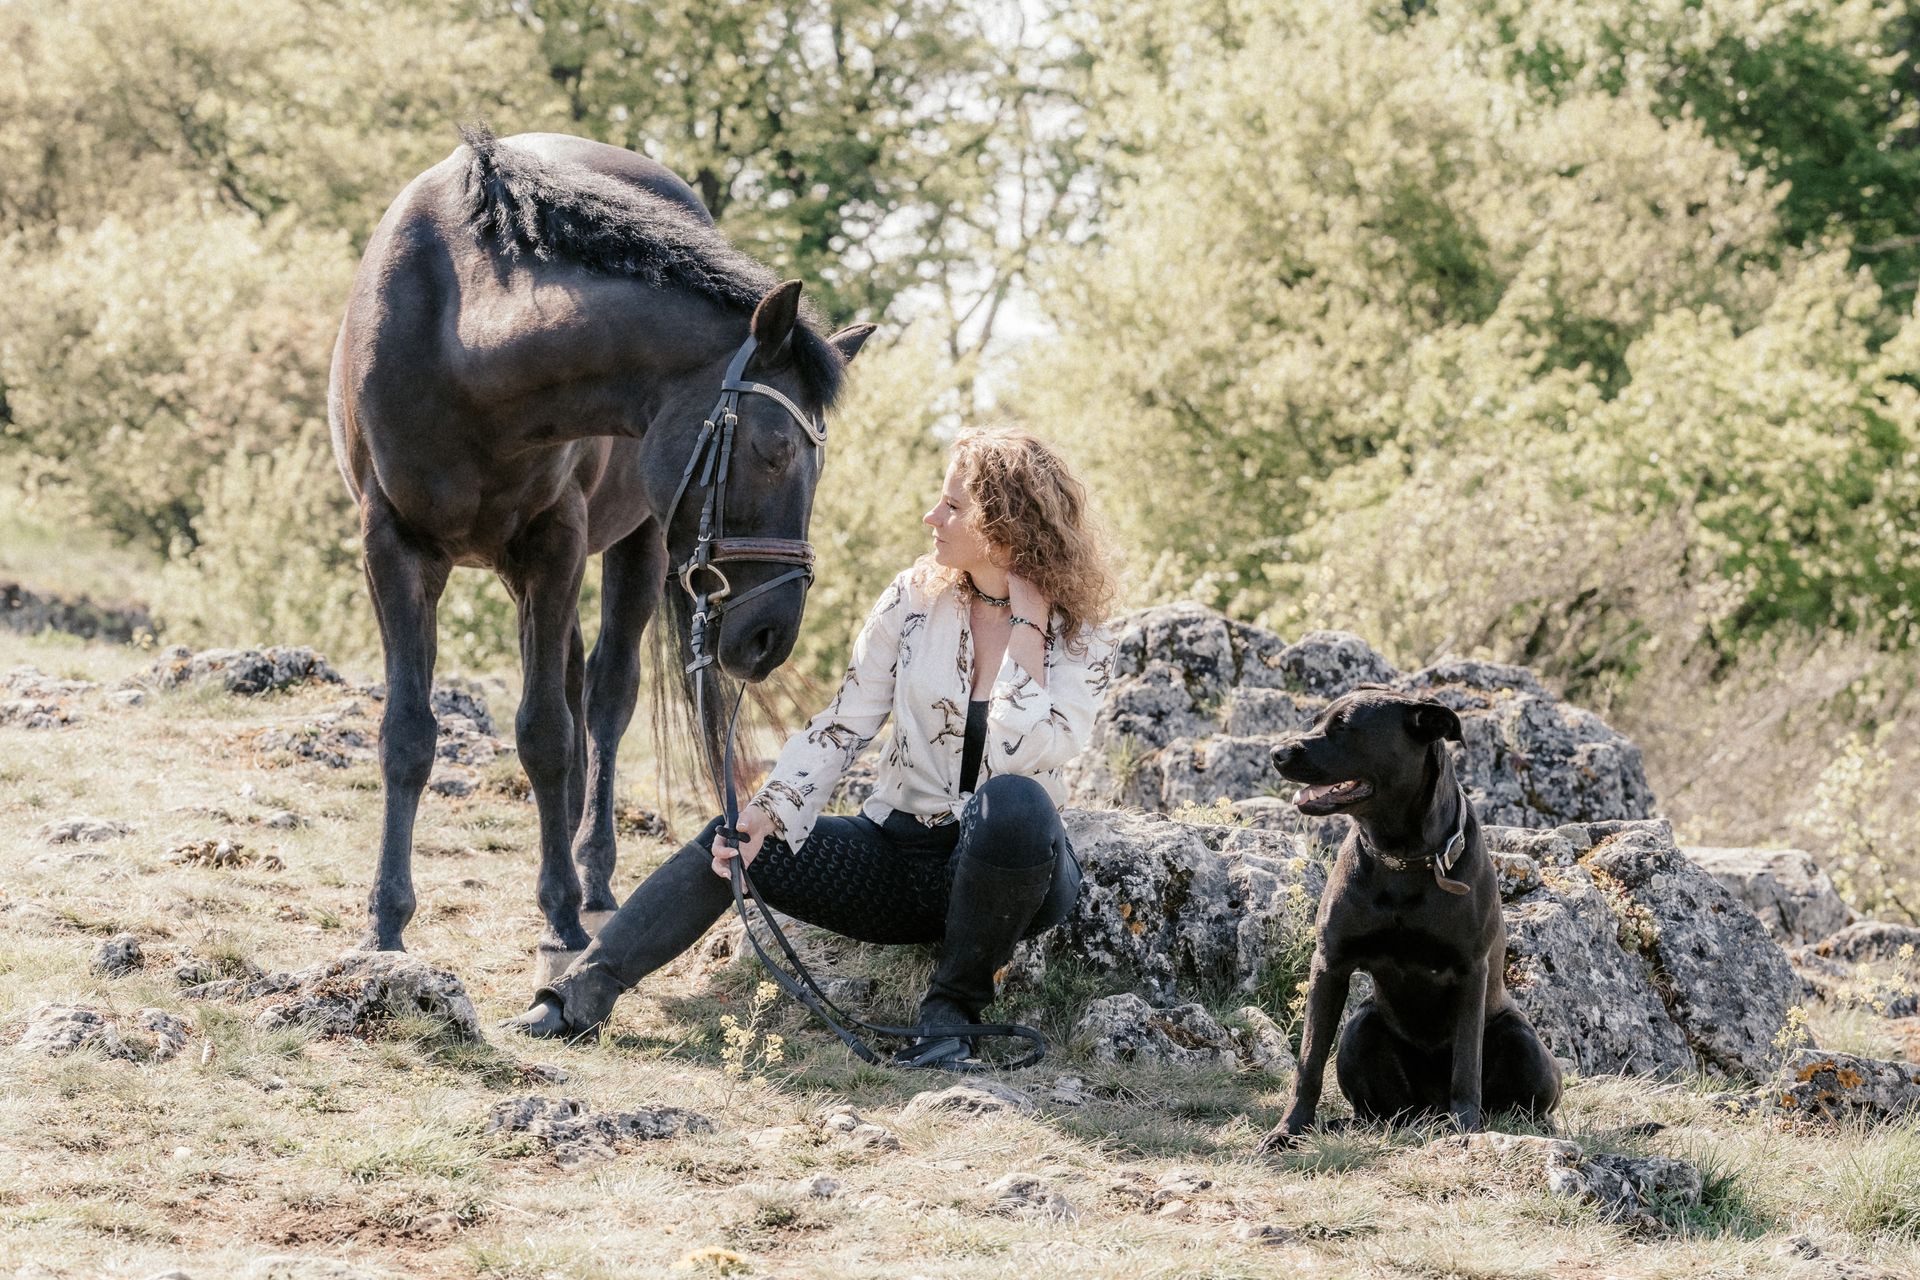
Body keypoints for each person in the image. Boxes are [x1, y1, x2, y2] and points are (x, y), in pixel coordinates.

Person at [505, 426, 1118, 1069]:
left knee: (1014, 802)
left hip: (1015, 879)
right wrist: (773, 808)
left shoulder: (1079, 638)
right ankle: (577, 997)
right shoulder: (913, 600)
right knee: (734, 840)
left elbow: (1027, 749)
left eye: (953, 507)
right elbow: (844, 723)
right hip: (899, 862)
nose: (931, 517)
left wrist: (1026, 625)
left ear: (1004, 524)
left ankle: (950, 1016)